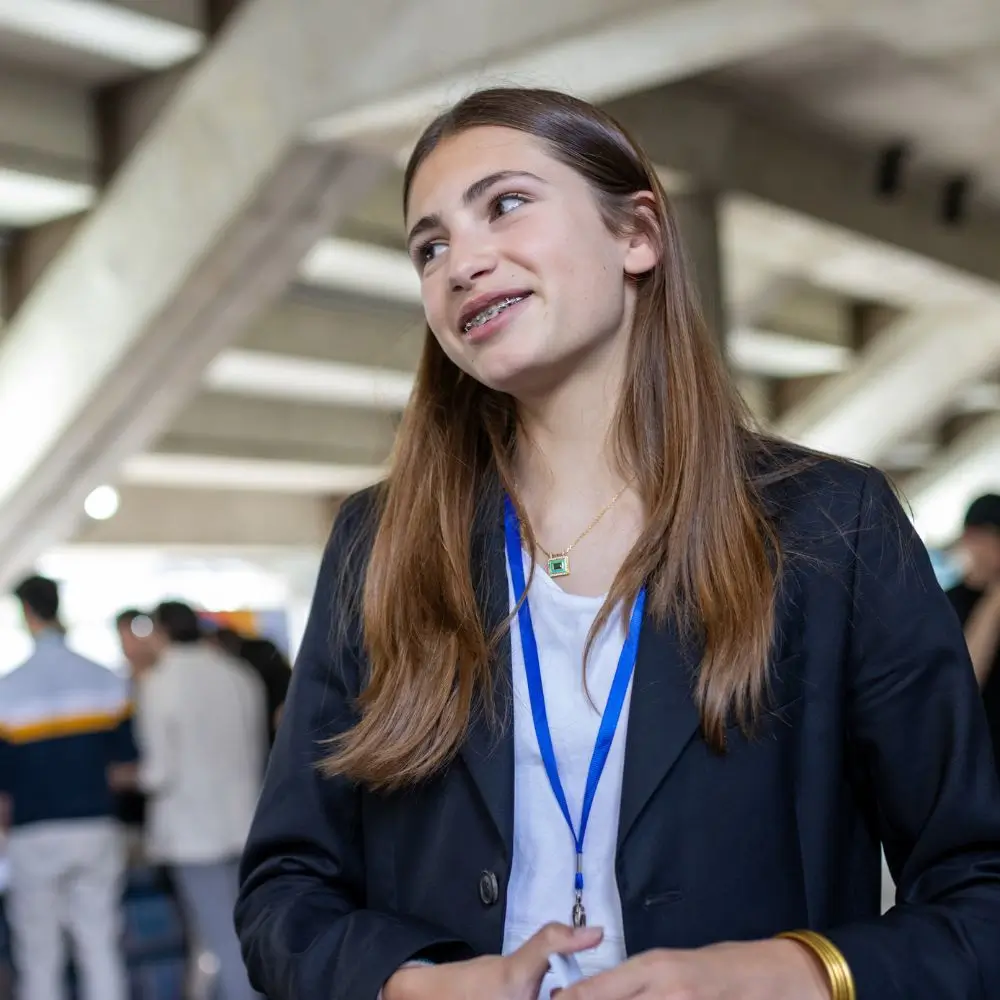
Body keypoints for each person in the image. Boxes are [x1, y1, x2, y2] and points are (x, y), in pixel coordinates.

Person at [235, 88, 1000, 1000]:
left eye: (505, 204)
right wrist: (412, 983)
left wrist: (784, 973)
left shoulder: (831, 523)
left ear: (636, 233)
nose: (460, 264)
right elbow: (285, 892)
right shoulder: (382, 542)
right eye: (429, 247)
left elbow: (977, 893)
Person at [0, 576, 135, 1000]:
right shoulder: (105, 680)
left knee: (39, 955)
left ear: (25, 613)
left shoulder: (7, 690)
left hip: (33, 831)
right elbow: (127, 763)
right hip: (96, 826)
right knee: (99, 947)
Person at [126, 602, 265, 1000]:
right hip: (245, 819)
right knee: (246, 930)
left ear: (160, 632)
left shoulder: (159, 682)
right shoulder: (238, 673)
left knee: (218, 936)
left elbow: (159, 772)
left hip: (191, 829)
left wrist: (126, 776)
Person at [945, 494, 1000, 777]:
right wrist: (995, 599)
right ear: (971, 538)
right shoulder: (947, 605)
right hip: (980, 761)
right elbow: (966, 681)